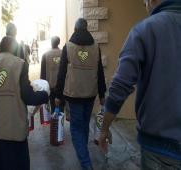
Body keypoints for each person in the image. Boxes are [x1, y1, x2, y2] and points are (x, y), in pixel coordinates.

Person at [98, 0, 181, 169]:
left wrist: (104, 128)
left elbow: (120, 85)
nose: (145, 6)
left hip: (160, 150)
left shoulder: (145, 29)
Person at [0, 36, 49, 170]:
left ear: (0, 49)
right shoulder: (20, 65)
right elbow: (28, 97)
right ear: (15, 49)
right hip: (14, 135)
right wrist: (45, 94)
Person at [55, 18, 106, 170]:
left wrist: (58, 95)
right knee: (83, 125)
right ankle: (83, 155)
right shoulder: (95, 47)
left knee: (76, 129)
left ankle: (86, 163)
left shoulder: (68, 47)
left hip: (74, 94)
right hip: (90, 94)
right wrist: (102, 94)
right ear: (87, 28)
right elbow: (100, 72)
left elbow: (62, 73)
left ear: (76, 29)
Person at [40, 36, 64, 113]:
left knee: (53, 106)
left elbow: (43, 74)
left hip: (50, 87)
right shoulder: (63, 53)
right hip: (62, 87)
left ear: (51, 43)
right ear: (59, 43)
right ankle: (60, 123)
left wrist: (43, 89)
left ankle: (54, 123)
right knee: (61, 108)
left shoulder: (45, 55)